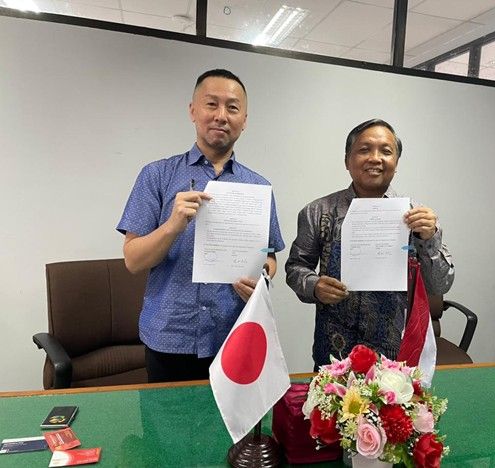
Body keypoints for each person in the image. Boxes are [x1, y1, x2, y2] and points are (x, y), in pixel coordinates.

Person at [117, 69, 284, 382]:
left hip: (235, 334)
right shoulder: (156, 176)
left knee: (230, 431)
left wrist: (262, 276)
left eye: (232, 108)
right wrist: (172, 225)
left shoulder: (258, 187)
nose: (221, 115)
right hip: (169, 337)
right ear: (193, 111)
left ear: (244, 120)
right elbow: (132, 260)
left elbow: (271, 256)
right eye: (211, 104)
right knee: (166, 431)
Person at [285, 119, 454, 368]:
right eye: (364, 150)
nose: (375, 158)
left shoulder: (417, 217)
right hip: (334, 351)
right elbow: (295, 268)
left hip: (395, 354)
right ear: (347, 161)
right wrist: (314, 286)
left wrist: (429, 239)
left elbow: (440, 283)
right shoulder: (317, 212)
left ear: (396, 163)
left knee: (393, 407)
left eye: (386, 151)